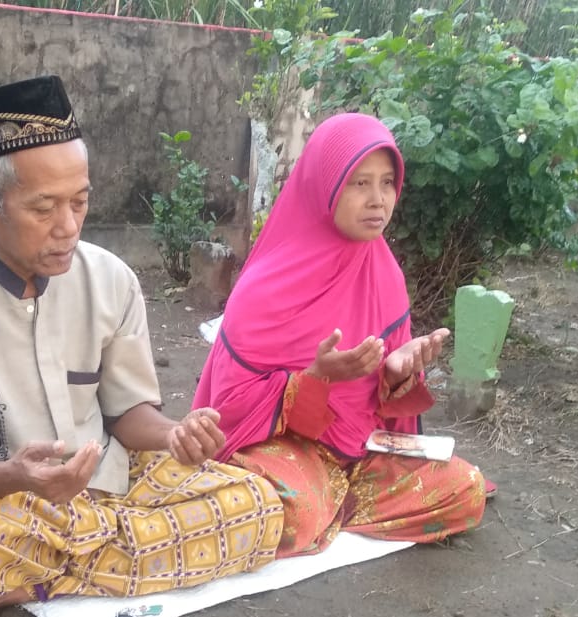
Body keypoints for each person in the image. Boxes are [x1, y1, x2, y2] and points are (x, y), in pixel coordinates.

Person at [0, 76, 283, 617]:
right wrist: (13, 476)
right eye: (43, 207)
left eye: (80, 201)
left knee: (255, 503)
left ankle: (34, 576)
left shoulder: (111, 279)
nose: (68, 226)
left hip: (112, 485)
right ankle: (109, 559)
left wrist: (175, 435)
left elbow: (126, 413)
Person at [192, 113, 487, 558]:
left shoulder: (384, 273)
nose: (378, 200)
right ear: (324, 185)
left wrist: (396, 372)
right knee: (290, 509)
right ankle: (322, 508)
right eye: (359, 183)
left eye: (387, 183)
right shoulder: (265, 288)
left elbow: (380, 408)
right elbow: (229, 406)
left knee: (466, 488)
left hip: (362, 454)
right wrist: (311, 381)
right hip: (289, 453)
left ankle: (332, 509)